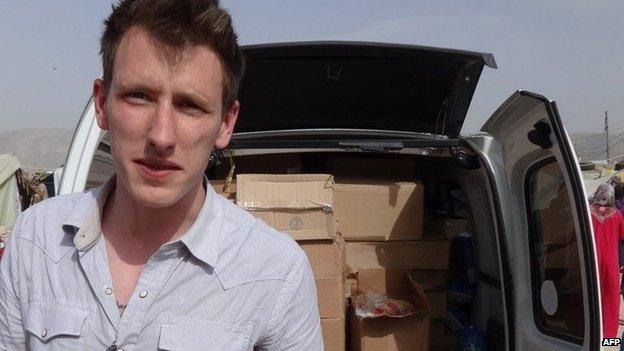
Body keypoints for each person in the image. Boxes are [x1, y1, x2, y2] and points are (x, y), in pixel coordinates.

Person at [0, 1, 323, 350]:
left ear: (226, 123)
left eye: (190, 105)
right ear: (101, 103)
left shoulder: (275, 273)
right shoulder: (35, 242)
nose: (161, 136)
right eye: (139, 96)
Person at [590, 183, 624, 338]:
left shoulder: (587, 213)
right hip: (611, 265)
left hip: (592, 263)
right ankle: (608, 341)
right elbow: (621, 237)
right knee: (611, 304)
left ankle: (593, 339)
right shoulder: (617, 215)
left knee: (593, 299)